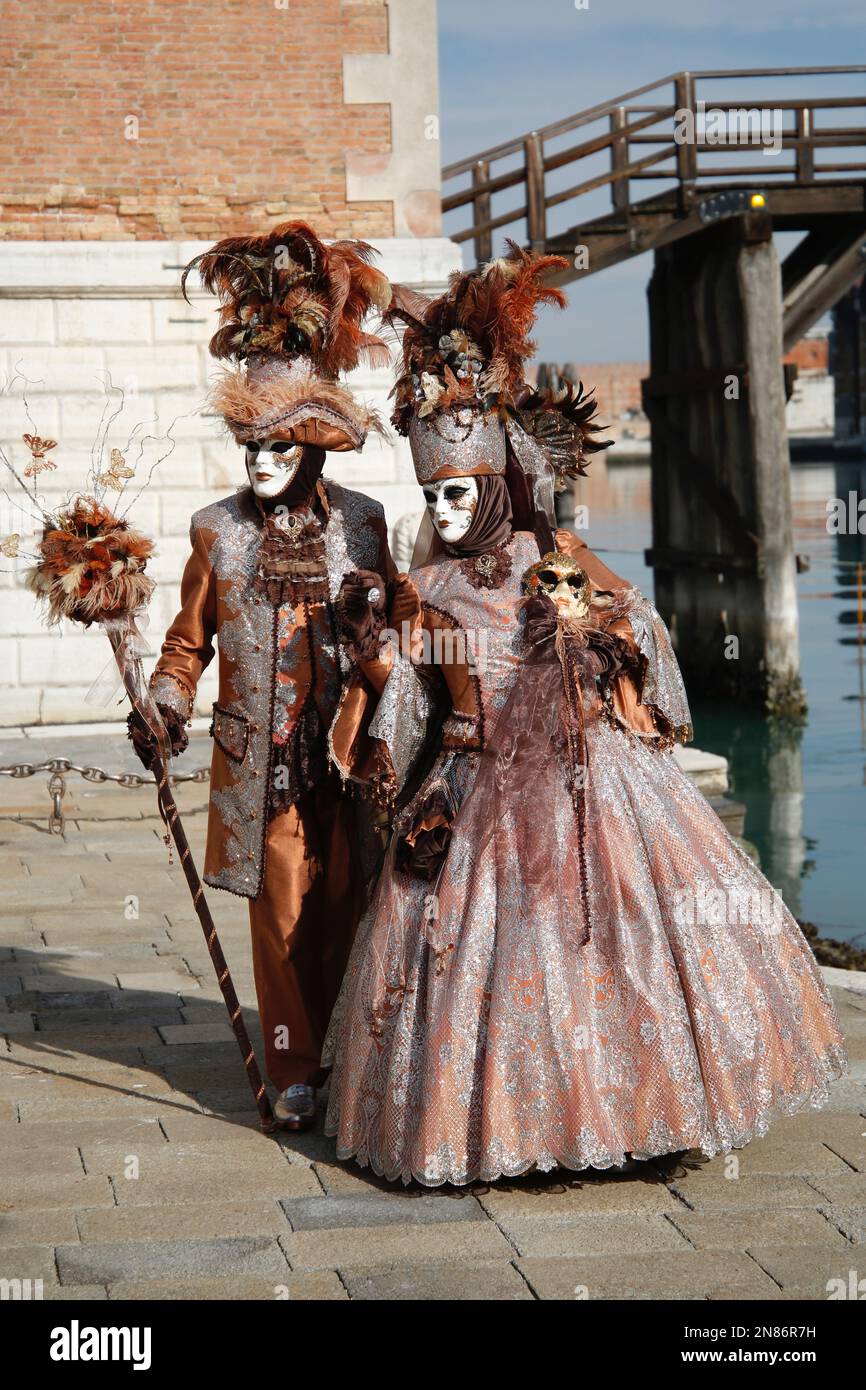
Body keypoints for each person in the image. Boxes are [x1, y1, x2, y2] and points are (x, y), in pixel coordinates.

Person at [322, 246, 848, 1185]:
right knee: (500, 957)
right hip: (472, 789)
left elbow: (638, 618)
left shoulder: (551, 553)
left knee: (620, 938)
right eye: (432, 495)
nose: (444, 513)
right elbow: (419, 688)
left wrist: (601, 637)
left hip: (587, 777)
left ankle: (647, 1106)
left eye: (460, 493)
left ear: (492, 485)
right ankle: (518, 1124)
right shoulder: (427, 586)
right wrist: (379, 661)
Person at [130, 221, 396, 1130]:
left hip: (349, 756)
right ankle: (293, 1067)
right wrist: (164, 708)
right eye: (251, 448)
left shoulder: (364, 522)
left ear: (313, 449)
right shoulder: (217, 530)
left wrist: (380, 646)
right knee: (281, 918)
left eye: (279, 449)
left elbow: (394, 635)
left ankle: (348, 1058)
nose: (261, 463)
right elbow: (186, 644)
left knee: (348, 907)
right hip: (263, 766)